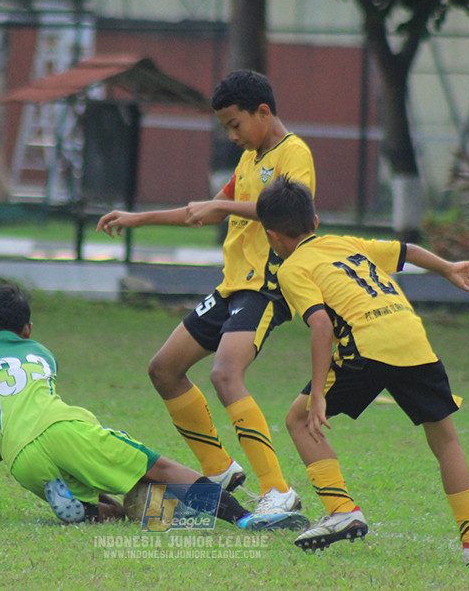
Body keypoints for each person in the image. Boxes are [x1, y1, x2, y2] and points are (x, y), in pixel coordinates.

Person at [255, 175, 469, 566]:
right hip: (412, 337)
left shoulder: (292, 267)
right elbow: (406, 250)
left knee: (298, 420)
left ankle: (341, 509)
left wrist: (316, 397)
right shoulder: (345, 243)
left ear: (272, 236)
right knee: (446, 439)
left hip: (366, 345)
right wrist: (447, 268)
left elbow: (322, 326)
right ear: (314, 221)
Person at [0, 283, 308, 531]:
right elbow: (38, 409)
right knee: (158, 469)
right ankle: (242, 519)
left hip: (20, 459)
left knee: (120, 506)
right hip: (63, 429)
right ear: (28, 329)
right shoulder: (41, 353)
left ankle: (88, 509)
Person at [96, 70, 315, 515]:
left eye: (235, 125)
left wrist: (223, 204)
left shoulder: (294, 153)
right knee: (164, 369)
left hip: (267, 287)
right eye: (226, 128)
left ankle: (277, 490)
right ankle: (218, 468)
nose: (231, 135)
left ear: (264, 112)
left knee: (224, 374)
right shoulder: (250, 159)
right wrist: (139, 218)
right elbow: (207, 211)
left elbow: (292, 210)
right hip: (233, 286)